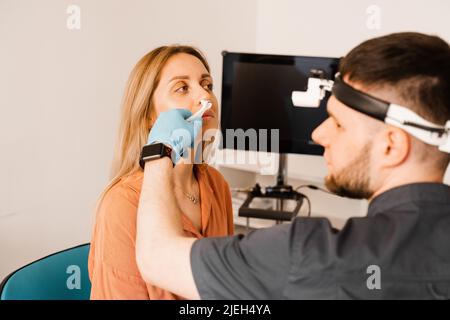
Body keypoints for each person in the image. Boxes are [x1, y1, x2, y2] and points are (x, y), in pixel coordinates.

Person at [135, 32, 450, 299]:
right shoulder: (123, 200)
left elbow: (156, 259)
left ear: (391, 146)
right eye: (182, 87)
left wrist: (158, 151)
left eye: (338, 123)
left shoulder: (312, 255)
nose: (318, 133)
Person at [88, 45, 234, 300]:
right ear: (149, 117)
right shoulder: (123, 203)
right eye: (182, 88)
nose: (205, 96)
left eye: (207, 84)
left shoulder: (216, 185)